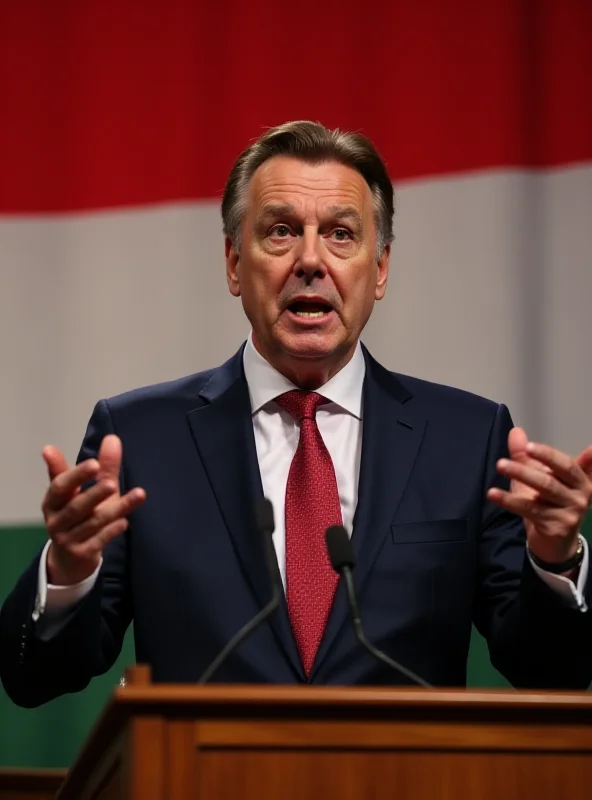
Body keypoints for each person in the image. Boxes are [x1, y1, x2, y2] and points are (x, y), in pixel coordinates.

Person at [1, 121, 591, 707]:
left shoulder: (467, 440)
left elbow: (550, 671)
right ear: (235, 263)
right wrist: (70, 568)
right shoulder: (139, 439)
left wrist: (554, 558)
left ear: (379, 268)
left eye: (340, 234)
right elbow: (36, 679)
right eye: (281, 232)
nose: (311, 260)